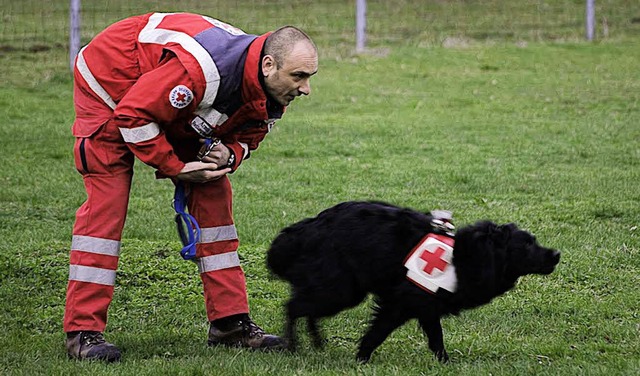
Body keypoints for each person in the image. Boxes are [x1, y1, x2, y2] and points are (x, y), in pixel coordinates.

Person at [64, 12, 318, 362]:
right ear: (269, 65)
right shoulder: (202, 73)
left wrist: (228, 154)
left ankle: (230, 324)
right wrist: (176, 167)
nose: (306, 88)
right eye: (299, 76)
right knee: (106, 209)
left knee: (214, 192)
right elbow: (133, 116)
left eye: (309, 77)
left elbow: (250, 133)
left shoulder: (270, 88)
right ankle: (82, 332)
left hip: (164, 97)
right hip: (111, 81)